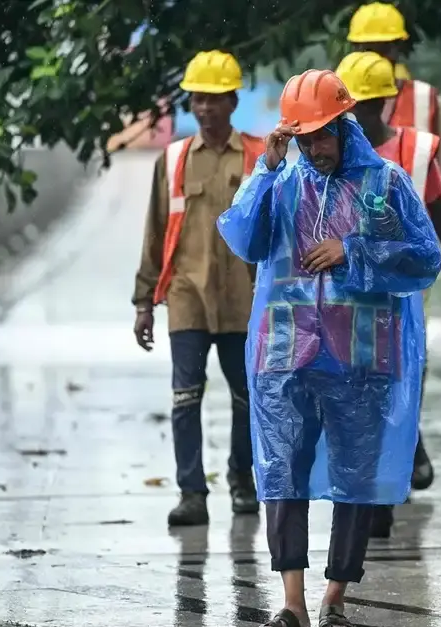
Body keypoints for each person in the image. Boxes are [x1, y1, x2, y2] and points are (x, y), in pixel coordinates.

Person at [218, 69, 441, 627]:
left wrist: (355, 250)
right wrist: (264, 170)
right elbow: (244, 239)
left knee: (356, 474)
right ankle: (291, 603)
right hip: (286, 351)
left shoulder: (386, 183)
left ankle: (334, 597)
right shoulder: (282, 180)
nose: (314, 148)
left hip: (360, 353)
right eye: (303, 137)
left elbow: (424, 260)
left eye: (322, 134)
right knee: (282, 473)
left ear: (344, 125)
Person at [334, 51, 441, 538]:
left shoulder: (414, 154)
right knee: (359, 392)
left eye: (369, 106)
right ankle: (381, 480)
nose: (359, 118)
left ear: (389, 103)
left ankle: (391, 481)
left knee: (400, 386)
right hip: (349, 301)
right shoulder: (329, 156)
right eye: (350, 108)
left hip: (403, 301)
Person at [132, 50, 266, 527]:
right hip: (187, 295)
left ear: (232, 101)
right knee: (185, 397)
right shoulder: (173, 161)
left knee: (248, 396)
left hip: (243, 299)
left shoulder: (258, 155)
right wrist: (144, 301)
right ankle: (192, 492)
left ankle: (241, 479)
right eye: (197, 99)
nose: (205, 108)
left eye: (214, 99)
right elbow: (153, 231)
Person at [346, 2, 441, 209]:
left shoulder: (424, 97)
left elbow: (439, 170)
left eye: (384, 49)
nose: (376, 60)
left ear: (399, 48)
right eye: (369, 49)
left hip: (414, 222)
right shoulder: (338, 96)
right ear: (354, 49)